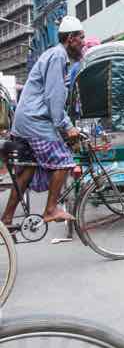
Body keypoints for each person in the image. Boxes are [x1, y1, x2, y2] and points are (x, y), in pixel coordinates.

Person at [0, 16, 85, 227]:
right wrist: (67, 127)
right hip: (34, 121)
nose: (83, 42)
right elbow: (53, 98)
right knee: (64, 160)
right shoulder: (58, 56)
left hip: (24, 121)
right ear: (71, 38)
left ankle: (7, 220)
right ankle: (50, 209)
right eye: (81, 38)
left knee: (28, 169)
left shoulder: (54, 55)